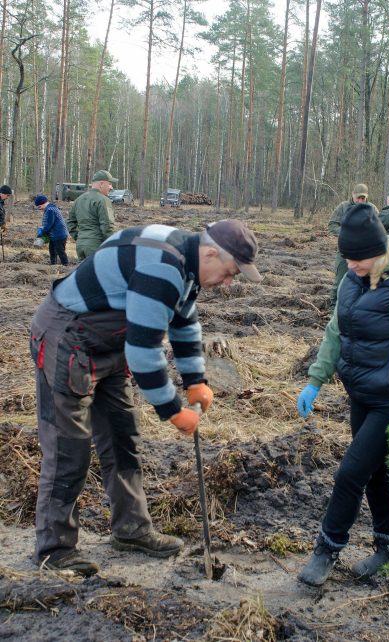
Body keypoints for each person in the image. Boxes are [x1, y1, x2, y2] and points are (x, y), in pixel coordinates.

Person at [30, 219, 262, 576]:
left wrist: (195, 380)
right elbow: (143, 353)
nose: (228, 282)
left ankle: (131, 530)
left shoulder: (186, 262)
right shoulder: (163, 267)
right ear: (211, 252)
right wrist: (172, 410)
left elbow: (183, 322)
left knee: (123, 437)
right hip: (69, 338)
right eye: (230, 273)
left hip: (108, 342)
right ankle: (55, 550)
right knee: (68, 448)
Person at [297, 203, 389, 587]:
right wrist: (316, 379)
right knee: (376, 474)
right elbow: (335, 332)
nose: (352, 266)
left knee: (349, 474)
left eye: (358, 259)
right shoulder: (351, 279)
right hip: (361, 393)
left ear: (379, 251)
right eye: (347, 258)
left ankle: (326, 551)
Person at [328, 184, 379, 308]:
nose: (360, 201)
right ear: (352, 195)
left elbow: (379, 228)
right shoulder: (343, 207)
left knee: (366, 283)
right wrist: (347, 233)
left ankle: (360, 310)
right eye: (358, 198)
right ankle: (333, 309)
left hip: (365, 254)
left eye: (363, 198)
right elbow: (332, 225)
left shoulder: (372, 209)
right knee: (340, 281)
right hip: (345, 252)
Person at [67, 169, 117, 261]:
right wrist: (113, 245)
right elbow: (107, 226)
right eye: (109, 184)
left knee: (84, 274)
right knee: (98, 274)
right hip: (96, 246)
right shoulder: (103, 200)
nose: (111, 187)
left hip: (80, 246)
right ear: (102, 184)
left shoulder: (79, 199)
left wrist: (79, 237)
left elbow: (70, 222)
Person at [34, 194, 70, 266]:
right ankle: (53, 266)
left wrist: (42, 232)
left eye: (39, 206)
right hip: (54, 235)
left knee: (60, 252)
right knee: (52, 251)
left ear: (43, 203)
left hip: (59, 235)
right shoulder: (49, 208)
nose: (39, 208)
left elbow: (49, 224)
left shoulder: (50, 210)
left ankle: (66, 266)